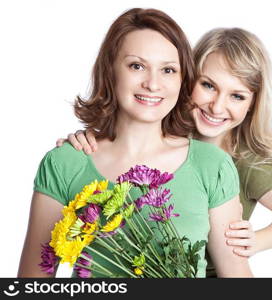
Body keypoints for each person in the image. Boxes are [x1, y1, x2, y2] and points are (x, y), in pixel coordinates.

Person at [59, 27, 272, 277]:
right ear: (186, 79)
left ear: (252, 105)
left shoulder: (249, 166)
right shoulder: (158, 133)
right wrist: (85, 145)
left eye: (237, 96)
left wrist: (256, 241)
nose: (217, 106)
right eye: (208, 85)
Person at [18, 8, 252, 278]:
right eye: (137, 66)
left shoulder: (212, 165)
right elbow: (33, 282)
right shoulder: (65, 162)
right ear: (110, 71)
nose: (153, 84)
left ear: (182, 79)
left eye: (168, 70)